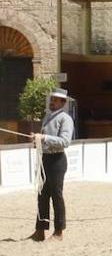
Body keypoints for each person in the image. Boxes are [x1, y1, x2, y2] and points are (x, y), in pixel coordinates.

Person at [29, 88, 74, 242]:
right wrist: (37, 140)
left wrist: (44, 138)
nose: (52, 101)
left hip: (57, 161)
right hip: (45, 159)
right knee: (42, 196)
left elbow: (65, 142)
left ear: (63, 102)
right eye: (52, 98)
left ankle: (59, 232)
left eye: (55, 99)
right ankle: (40, 230)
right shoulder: (48, 117)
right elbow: (45, 140)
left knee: (56, 196)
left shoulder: (65, 119)